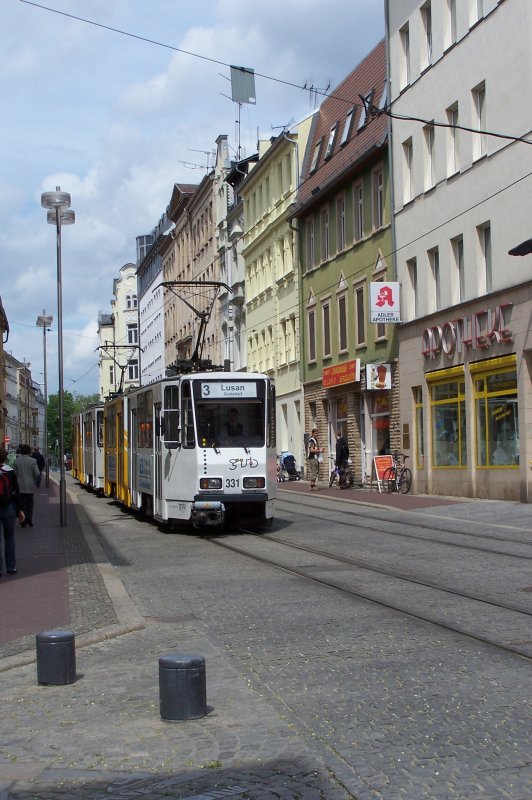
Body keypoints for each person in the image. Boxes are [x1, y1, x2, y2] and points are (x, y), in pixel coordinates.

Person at [0, 447, 25, 576]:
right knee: (9, 536)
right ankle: (11, 567)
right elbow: (16, 491)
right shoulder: (9, 471)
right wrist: (20, 509)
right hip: (8, 507)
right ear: (5, 458)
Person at [13, 444, 40, 528]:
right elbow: (37, 473)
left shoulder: (16, 461)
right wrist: (33, 480)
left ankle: (23, 521)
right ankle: (29, 519)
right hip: (30, 486)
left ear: (21, 451)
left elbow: (14, 474)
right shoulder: (33, 461)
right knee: (30, 503)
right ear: (29, 452)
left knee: (21, 504)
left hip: (19, 486)